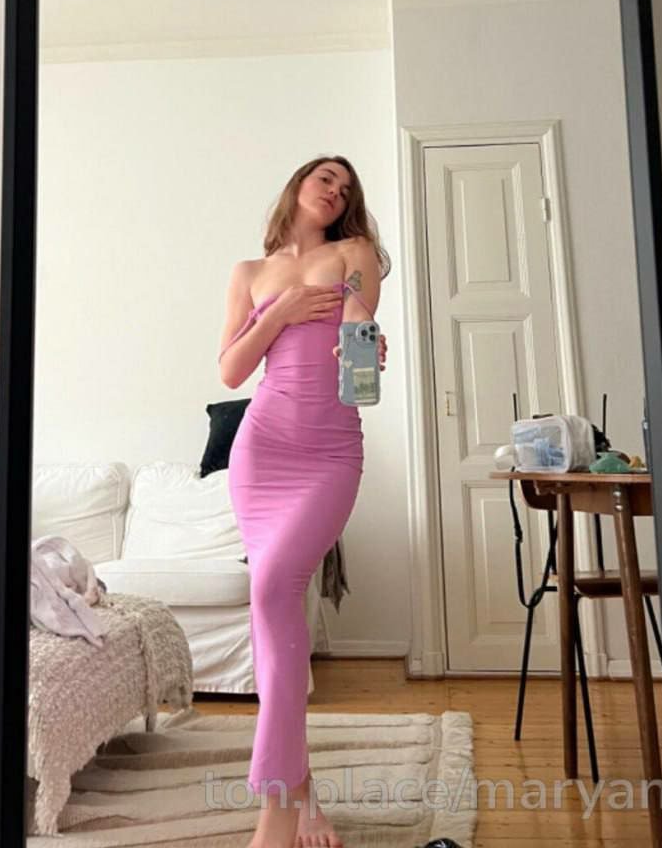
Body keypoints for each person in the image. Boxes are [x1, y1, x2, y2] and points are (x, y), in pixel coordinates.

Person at [217, 156, 390, 848]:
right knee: (273, 615)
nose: (334, 192)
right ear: (296, 185)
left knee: (270, 592)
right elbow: (231, 369)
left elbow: (357, 347)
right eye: (325, 179)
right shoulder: (247, 273)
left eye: (345, 190)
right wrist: (282, 312)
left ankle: (276, 813)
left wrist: (365, 348)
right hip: (260, 451)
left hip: (326, 453)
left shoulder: (354, 253)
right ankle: (303, 798)